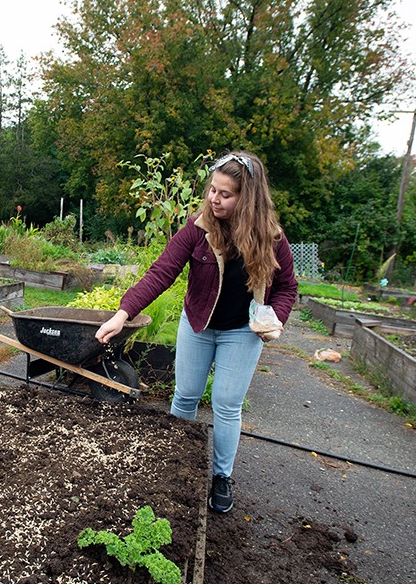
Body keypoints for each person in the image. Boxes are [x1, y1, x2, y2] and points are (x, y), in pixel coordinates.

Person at [95, 151, 298, 513]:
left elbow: (287, 287)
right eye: (212, 190)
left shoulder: (271, 238)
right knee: (186, 395)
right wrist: (123, 314)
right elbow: (161, 272)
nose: (214, 199)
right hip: (198, 325)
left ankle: (221, 477)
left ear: (247, 199)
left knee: (226, 404)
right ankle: (174, 462)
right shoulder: (197, 228)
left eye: (225, 194)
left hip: (242, 331)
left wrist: (276, 317)